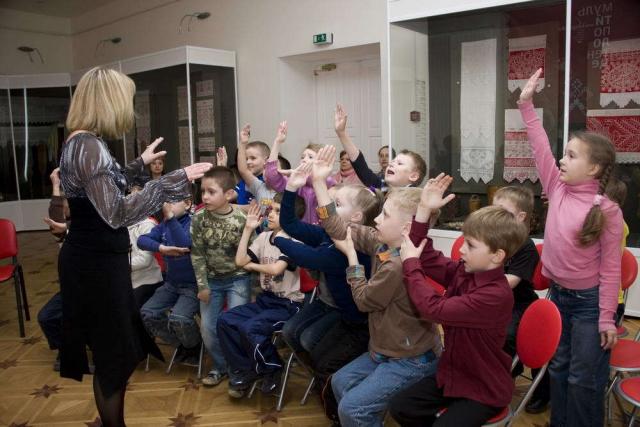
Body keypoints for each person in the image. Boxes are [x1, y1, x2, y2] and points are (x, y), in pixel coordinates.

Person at [57, 66, 211, 427]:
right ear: (109, 102)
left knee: (119, 349)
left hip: (94, 258)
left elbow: (104, 189)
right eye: (125, 100)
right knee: (116, 355)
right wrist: (174, 178)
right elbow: (115, 211)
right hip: (94, 262)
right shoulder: (89, 145)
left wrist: (140, 164)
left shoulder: (80, 141)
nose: (129, 108)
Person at [518, 69, 623, 427]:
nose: (561, 160)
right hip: (559, 297)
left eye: (572, 156)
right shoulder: (557, 187)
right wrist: (525, 103)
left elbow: (610, 270)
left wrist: (607, 317)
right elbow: (539, 145)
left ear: (593, 167)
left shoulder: (605, 210)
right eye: (564, 154)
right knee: (559, 367)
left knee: (583, 379)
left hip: (589, 305)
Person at [313, 145, 441, 427]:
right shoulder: (383, 241)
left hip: (410, 358)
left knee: (352, 410)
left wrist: (350, 257)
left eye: (384, 216)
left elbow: (364, 301)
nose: (377, 220)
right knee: (340, 382)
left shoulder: (397, 264)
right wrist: (319, 182)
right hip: (384, 349)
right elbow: (336, 227)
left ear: (406, 228)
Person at [388, 175, 528, 426]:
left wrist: (410, 264)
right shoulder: (467, 271)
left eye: (471, 246)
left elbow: (433, 308)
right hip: (454, 373)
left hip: (483, 388)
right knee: (401, 407)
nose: (461, 249)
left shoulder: (495, 295)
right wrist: (423, 211)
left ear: (497, 256)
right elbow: (428, 256)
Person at [277, 164, 381, 391]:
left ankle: (330, 379)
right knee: (290, 332)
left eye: (336, 205)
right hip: (328, 304)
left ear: (356, 217)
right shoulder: (328, 233)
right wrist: (292, 188)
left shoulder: (351, 246)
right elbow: (290, 224)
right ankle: (321, 378)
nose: (324, 208)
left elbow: (312, 258)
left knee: (309, 342)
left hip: (354, 319)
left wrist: (278, 239)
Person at [218, 194, 305, 397]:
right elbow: (240, 261)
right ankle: (249, 368)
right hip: (267, 300)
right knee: (225, 320)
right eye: (271, 209)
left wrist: (252, 265)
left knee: (251, 329)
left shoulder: (294, 240)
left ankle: (273, 368)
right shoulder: (265, 236)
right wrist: (248, 229)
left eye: (277, 211)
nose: (271, 214)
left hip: (288, 305)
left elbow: (276, 269)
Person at [191, 166, 253, 387]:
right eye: (203, 191)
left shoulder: (241, 219)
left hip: (238, 279)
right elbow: (197, 254)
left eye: (211, 191)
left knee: (234, 327)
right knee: (208, 329)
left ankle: (239, 369)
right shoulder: (198, 219)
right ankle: (221, 366)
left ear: (228, 194)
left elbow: (250, 254)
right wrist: (202, 285)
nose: (205, 196)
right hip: (211, 281)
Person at [138, 198, 201, 364]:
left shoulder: (194, 223)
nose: (166, 205)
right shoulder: (164, 225)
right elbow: (142, 241)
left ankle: (194, 346)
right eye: (165, 201)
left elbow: (184, 244)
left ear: (187, 204)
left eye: (173, 202)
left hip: (193, 286)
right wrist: (161, 248)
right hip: (171, 285)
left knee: (179, 319)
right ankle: (183, 344)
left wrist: (171, 218)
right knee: (147, 314)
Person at [334, 104, 426, 190]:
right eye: (393, 161)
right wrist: (341, 133)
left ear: (413, 176)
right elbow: (360, 165)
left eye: (399, 163)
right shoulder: (383, 188)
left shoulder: (415, 203)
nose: (391, 164)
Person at [264, 120, 335, 224]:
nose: (304, 159)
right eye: (302, 157)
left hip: (322, 234)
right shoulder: (296, 184)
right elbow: (271, 176)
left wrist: (304, 177)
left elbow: (323, 183)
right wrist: (277, 142)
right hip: (299, 234)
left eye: (310, 157)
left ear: (323, 162)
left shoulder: (328, 183)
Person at [235, 124, 272, 205]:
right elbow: (229, 195)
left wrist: (242, 143)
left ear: (266, 160)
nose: (248, 162)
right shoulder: (243, 181)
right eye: (246, 159)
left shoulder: (268, 182)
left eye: (253, 158)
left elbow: (257, 209)